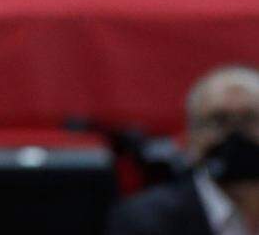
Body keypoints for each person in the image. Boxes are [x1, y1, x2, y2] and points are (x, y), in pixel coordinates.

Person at [107, 66, 259, 235]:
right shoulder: (144, 221)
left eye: (250, 119)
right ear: (191, 136)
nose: (235, 134)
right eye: (219, 121)